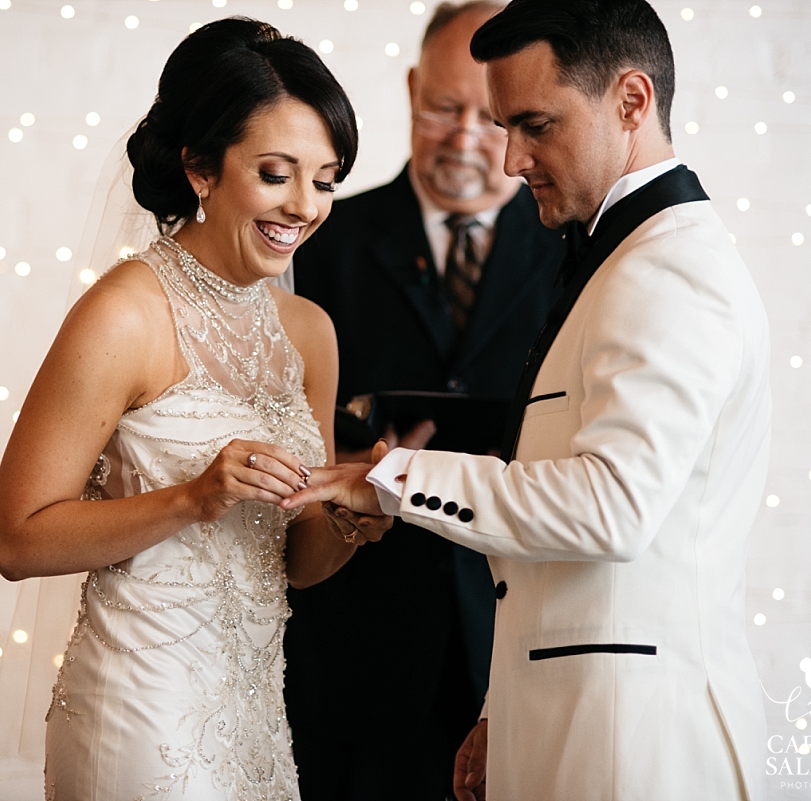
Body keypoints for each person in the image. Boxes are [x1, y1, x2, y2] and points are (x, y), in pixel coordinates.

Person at [284, 1, 772, 799]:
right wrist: (499, 705)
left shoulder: (665, 271)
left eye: (534, 125)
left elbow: (610, 508)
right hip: (515, 708)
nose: (508, 159)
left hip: (633, 743)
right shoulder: (616, 258)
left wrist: (392, 476)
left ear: (632, 102)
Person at [0, 19, 391, 800]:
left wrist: (352, 515)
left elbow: (295, 566)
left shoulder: (309, 332)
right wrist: (192, 496)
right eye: (276, 174)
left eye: (326, 178)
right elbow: (17, 537)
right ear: (201, 169)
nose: (304, 206)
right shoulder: (126, 313)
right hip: (139, 711)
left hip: (255, 716)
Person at [284, 3, 564, 798]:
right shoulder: (317, 238)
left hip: (511, 649)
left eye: (493, 116)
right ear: (410, 89)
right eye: (444, 107)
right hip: (350, 649)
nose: (467, 137)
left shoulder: (576, 259)